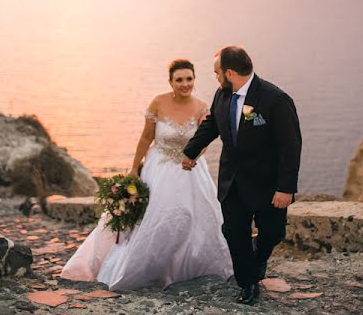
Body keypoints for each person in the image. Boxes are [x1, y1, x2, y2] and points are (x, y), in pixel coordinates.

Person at [60, 59, 233, 290]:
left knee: (192, 215)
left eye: (189, 79)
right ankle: (147, 269)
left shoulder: (202, 107)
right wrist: (133, 169)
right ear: (170, 81)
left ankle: (191, 267)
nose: (185, 84)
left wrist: (195, 156)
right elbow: (145, 138)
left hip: (189, 169)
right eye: (179, 80)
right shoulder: (158, 103)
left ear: (194, 79)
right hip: (159, 167)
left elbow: (204, 139)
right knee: (157, 216)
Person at [182, 46, 302, 305]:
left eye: (216, 73)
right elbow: (212, 124)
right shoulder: (223, 94)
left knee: (272, 233)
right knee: (234, 233)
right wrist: (190, 151)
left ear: (230, 72)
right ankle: (247, 283)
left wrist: (286, 188)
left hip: (267, 185)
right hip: (232, 182)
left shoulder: (275, 99)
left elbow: (290, 147)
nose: (215, 78)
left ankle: (259, 258)